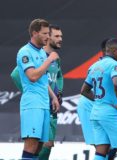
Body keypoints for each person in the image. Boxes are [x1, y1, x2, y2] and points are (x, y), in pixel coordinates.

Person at [81, 38, 117, 160]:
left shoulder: (94, 66)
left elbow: (84, 90)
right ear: (114, 51)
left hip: (96, 112)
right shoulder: (114, 65)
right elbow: (116, 83)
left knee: (101, 151)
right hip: (111, 114)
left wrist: (100, 100)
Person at [16, 18, 60, 159]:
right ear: (35, 33)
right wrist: (49, 60)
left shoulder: (41, 52)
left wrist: (53, 96)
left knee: (40, 146)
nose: (48, 37)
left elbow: (42, 80)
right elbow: (33, 76)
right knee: (31, 145)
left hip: (43, 103)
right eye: (45, 33)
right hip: (32, 104)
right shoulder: (25, 52)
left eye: (48, 33)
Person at [36, 24, 64, 160]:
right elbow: (16, 74)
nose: (60, 39)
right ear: (48, 38)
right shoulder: (37, 56)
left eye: (61, 36)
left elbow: (58, 76)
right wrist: (30, 92)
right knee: (40, 144)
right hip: (40, 104)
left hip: (51, 106)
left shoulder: (55, 57)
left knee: (48, 143)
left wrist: (59, 92)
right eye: (57, 36)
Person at [77, 38, 110, 147]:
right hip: (88, 105)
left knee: (109, 147)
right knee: (101, 146)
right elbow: (85, 91)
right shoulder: (95, 67)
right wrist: (103, 102)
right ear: (107, 50)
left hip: (99, 106)